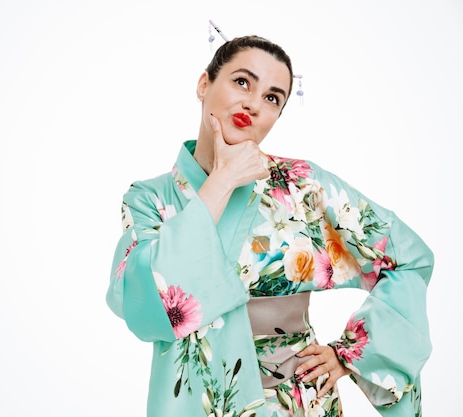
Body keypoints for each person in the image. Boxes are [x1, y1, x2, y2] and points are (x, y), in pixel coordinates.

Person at [106, 34, 433, 417]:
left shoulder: (302, 184)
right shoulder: (149, 199)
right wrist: (223, 180)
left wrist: (349, 354)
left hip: (298, 402)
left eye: (272, 98)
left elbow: (408, 258)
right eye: (242, 82)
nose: (253, 104)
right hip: (199, 402)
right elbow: (145, 305)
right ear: (204, 84)